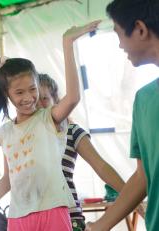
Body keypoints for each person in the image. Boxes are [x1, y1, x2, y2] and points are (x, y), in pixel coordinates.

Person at [0, 21, 101, 231]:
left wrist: (67, 44)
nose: (29, 97)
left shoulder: (48, 119)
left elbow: (73, 98)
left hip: (53, 209)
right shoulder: (7, 132)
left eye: (33, 89)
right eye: (19, 92)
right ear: (7, 94)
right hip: (18, 216)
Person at [85, 0, 159, 231]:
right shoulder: (144, 99)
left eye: (118, 34)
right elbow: (143, 176)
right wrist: (100, 226)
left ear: (139, 29)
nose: (120, 46)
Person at [38, 73, 125, 231]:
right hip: (33, 218)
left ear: (56, 101)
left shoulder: (72, 131)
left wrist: (129, 196)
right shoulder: (24, 137)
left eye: (44, 98)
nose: (39, 105)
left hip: (68, 217)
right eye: (35, 99)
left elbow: (101, 166)